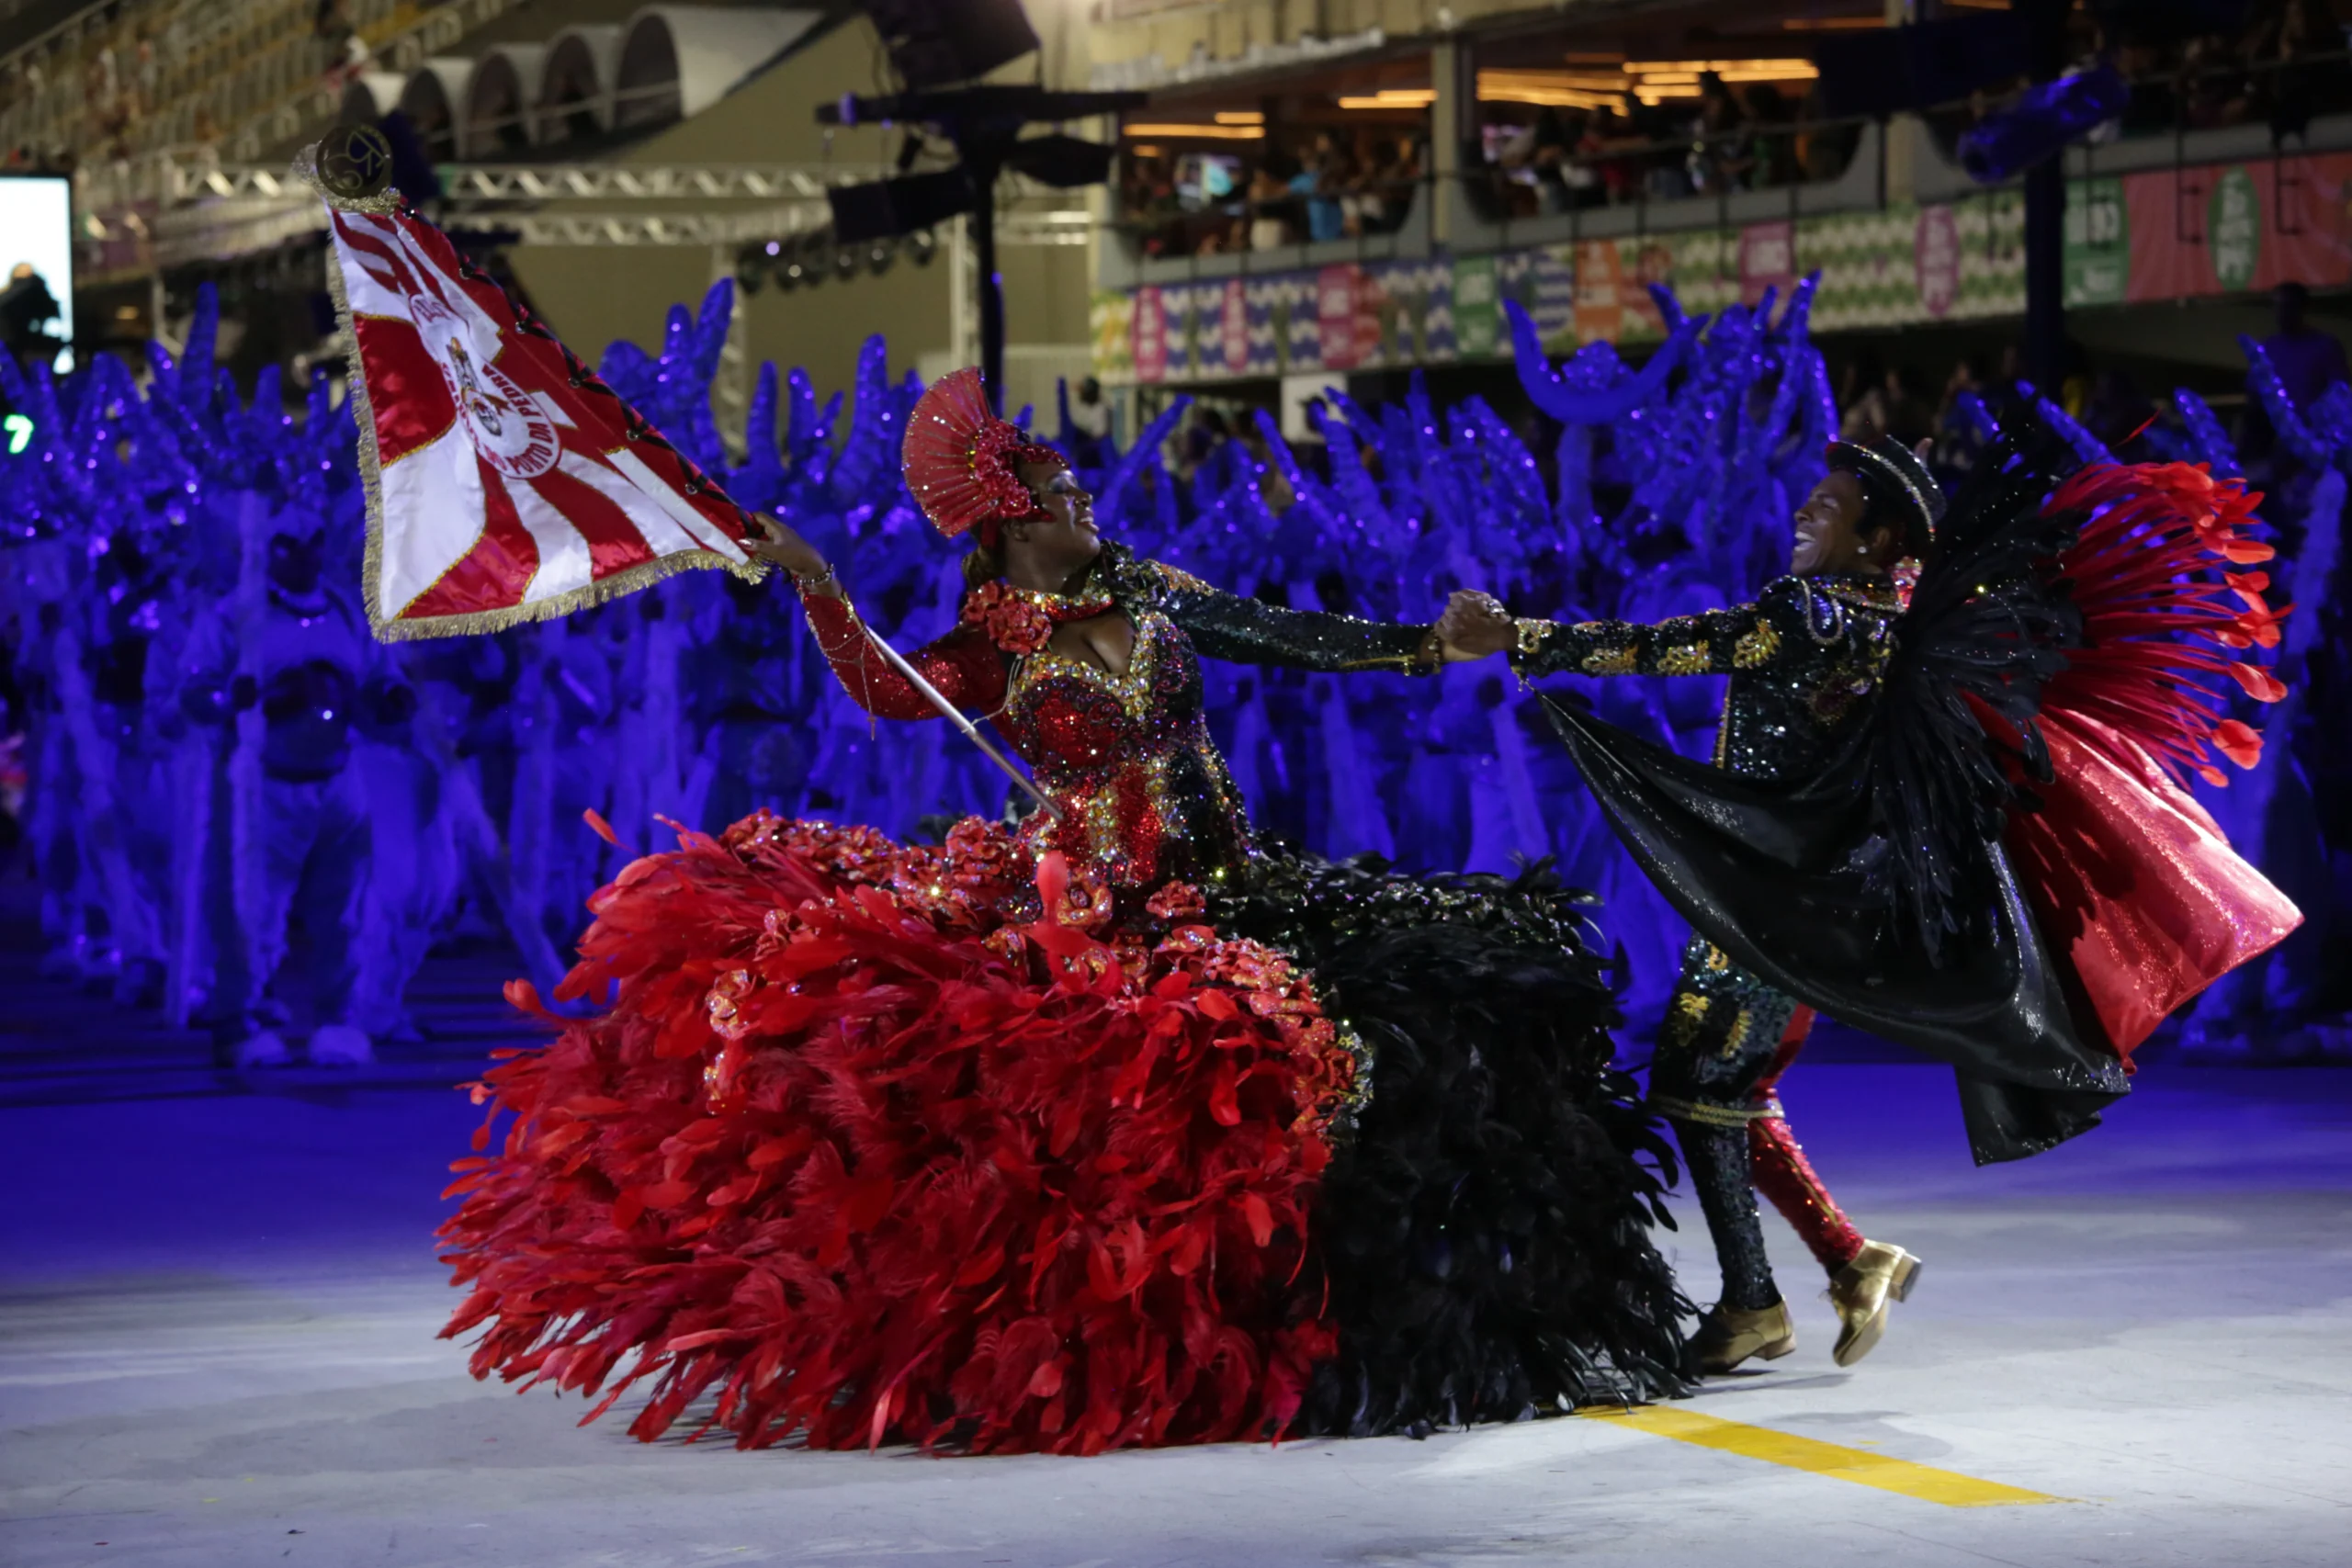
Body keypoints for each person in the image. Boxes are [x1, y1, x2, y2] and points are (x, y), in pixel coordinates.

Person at [437, 367, 1691, 1455]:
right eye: (1068, 494)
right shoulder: (991, 645)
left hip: (1228, 878)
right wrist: (821, 585)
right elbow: (889, 690)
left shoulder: (1151, 592)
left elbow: (1283, 632)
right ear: (1014, 520)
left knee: (1426, 1012)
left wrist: (1422, 646)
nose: (1091, 505)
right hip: (1096, 904)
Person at [1438, 430, 2301, 1373]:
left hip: (1771, 909)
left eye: (1829, 505)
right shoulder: (1897, 620)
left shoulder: (1803, 611)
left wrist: (1520, 637)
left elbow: (1675, 644)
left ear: (1879, 539)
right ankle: (1849, 1265)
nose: (1803, 512)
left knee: (1695, 1085)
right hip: (1817, 902)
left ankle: (1758, 1300)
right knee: (1729, 1091)